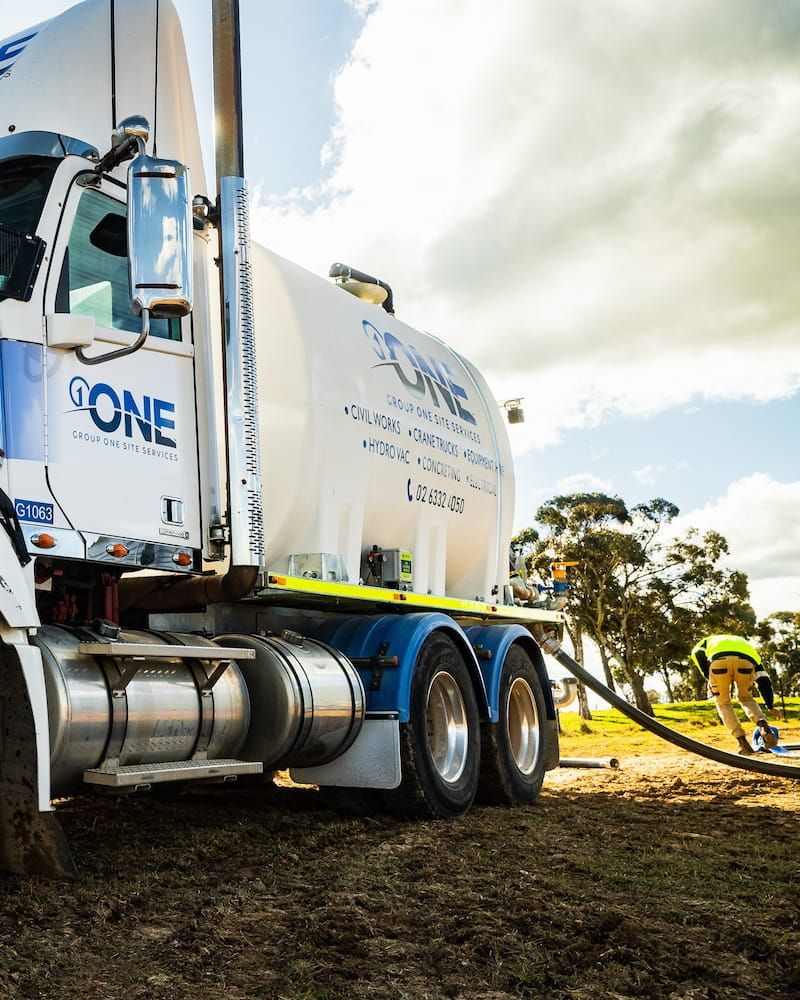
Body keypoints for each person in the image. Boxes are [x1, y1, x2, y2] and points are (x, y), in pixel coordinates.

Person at [689, 634, 779, 755]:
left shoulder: (706, 642)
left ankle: (743, 743)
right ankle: (763, 726)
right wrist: (770, 705)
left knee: (723, 703)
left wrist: (708, 676)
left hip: (718, 662)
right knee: (746, 698)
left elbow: (697, 652)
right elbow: (763, 680)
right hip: (746, 662)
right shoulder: (746, 646)